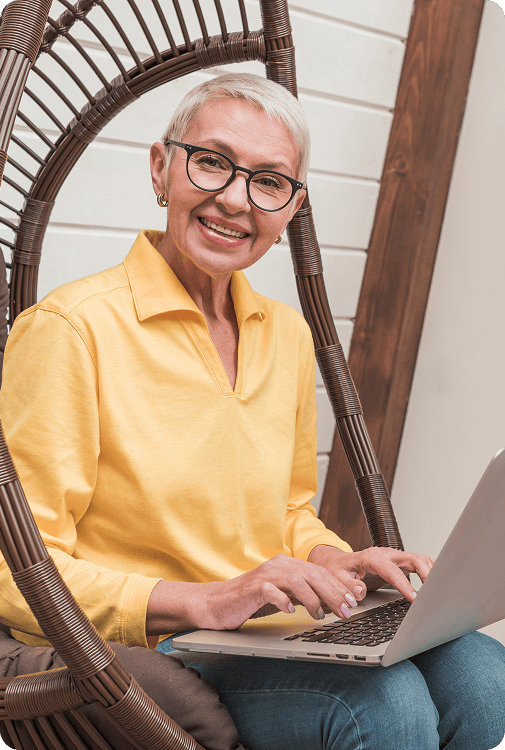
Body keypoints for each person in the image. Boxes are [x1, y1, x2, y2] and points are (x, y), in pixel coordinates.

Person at [0, 73, 504, 750]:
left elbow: (287, 512)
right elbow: (15, 568)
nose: (234, 200)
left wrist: (333, 558)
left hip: (273, 631)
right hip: (165, 643)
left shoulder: (284, 334)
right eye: (211, 161)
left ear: (291, 206)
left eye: (268, 181)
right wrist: (203, 598)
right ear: (161, 167)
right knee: (385, 708)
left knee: (485, 674)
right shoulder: (71, 328)